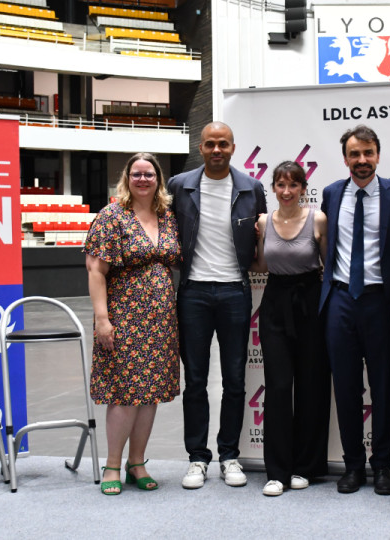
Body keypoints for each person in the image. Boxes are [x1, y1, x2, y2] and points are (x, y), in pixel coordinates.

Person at [167, 121, 267, 489]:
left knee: (235, 380)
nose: (217, 150)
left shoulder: (251, 188)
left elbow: (261, 237)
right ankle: (197, 457)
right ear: (201, 147)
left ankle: (229, 455)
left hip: (235, 292)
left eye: (223, 143)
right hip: (192, 293)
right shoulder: (180, 185)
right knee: (195, 381)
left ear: (233, 147)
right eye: (210, 144)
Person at [320, 125, 390, 495]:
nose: (362, 160)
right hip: (341, 300)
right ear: (345, 158)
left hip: (382, 301)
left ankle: (383, 465)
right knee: (345, 388)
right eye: (354, 154)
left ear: (378, 154)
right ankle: (353, 466)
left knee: (384, 386)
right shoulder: (332, 194)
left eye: (368, 153)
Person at [83, 152, 181, 495]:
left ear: (158, 180)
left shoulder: (167, 216)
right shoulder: (112, 216)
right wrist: (102, 319)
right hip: (124, 317)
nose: (142, 179)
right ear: (127, 178)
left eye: (149, 174)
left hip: (161, 321)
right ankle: (112, 463)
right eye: (136, 174)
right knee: (124, 392)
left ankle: (136, 462)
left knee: (150, 392)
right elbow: (95, 270)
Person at [249, 161, 330, 497]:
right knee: (279, 387)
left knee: (311, 385)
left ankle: (305, 467)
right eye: (280, 185)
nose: (286, 191)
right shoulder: (263, 222)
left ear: (303, 188)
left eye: (293, 185)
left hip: (310, 302)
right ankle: (277, 471)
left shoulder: (318, 219)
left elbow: (328, 265)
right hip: (275, 303)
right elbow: (261, 265)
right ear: (273, 188)